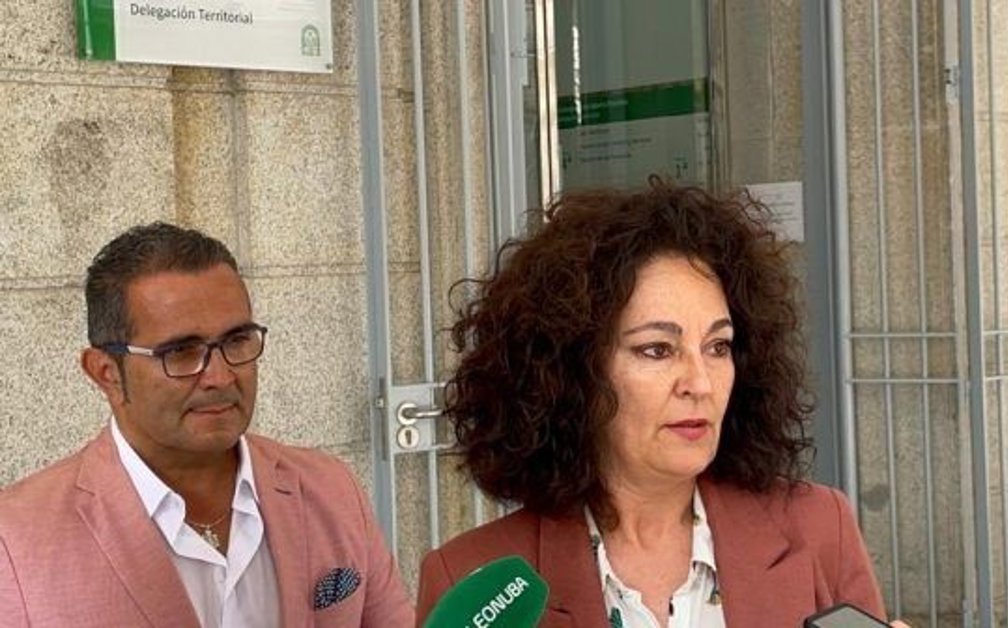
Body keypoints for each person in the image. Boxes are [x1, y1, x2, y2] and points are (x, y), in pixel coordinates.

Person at [417, 181, 898, 626]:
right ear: (570, 370)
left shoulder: (819, 528)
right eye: (657, 350)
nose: (700, 383)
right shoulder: (470, 580)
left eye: (718, 347)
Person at [0, 223, 415, 627]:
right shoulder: (17, 542)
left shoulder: (331, 490)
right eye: (180, 351)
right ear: (106, 373)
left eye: (236, 340)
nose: (220, 375)